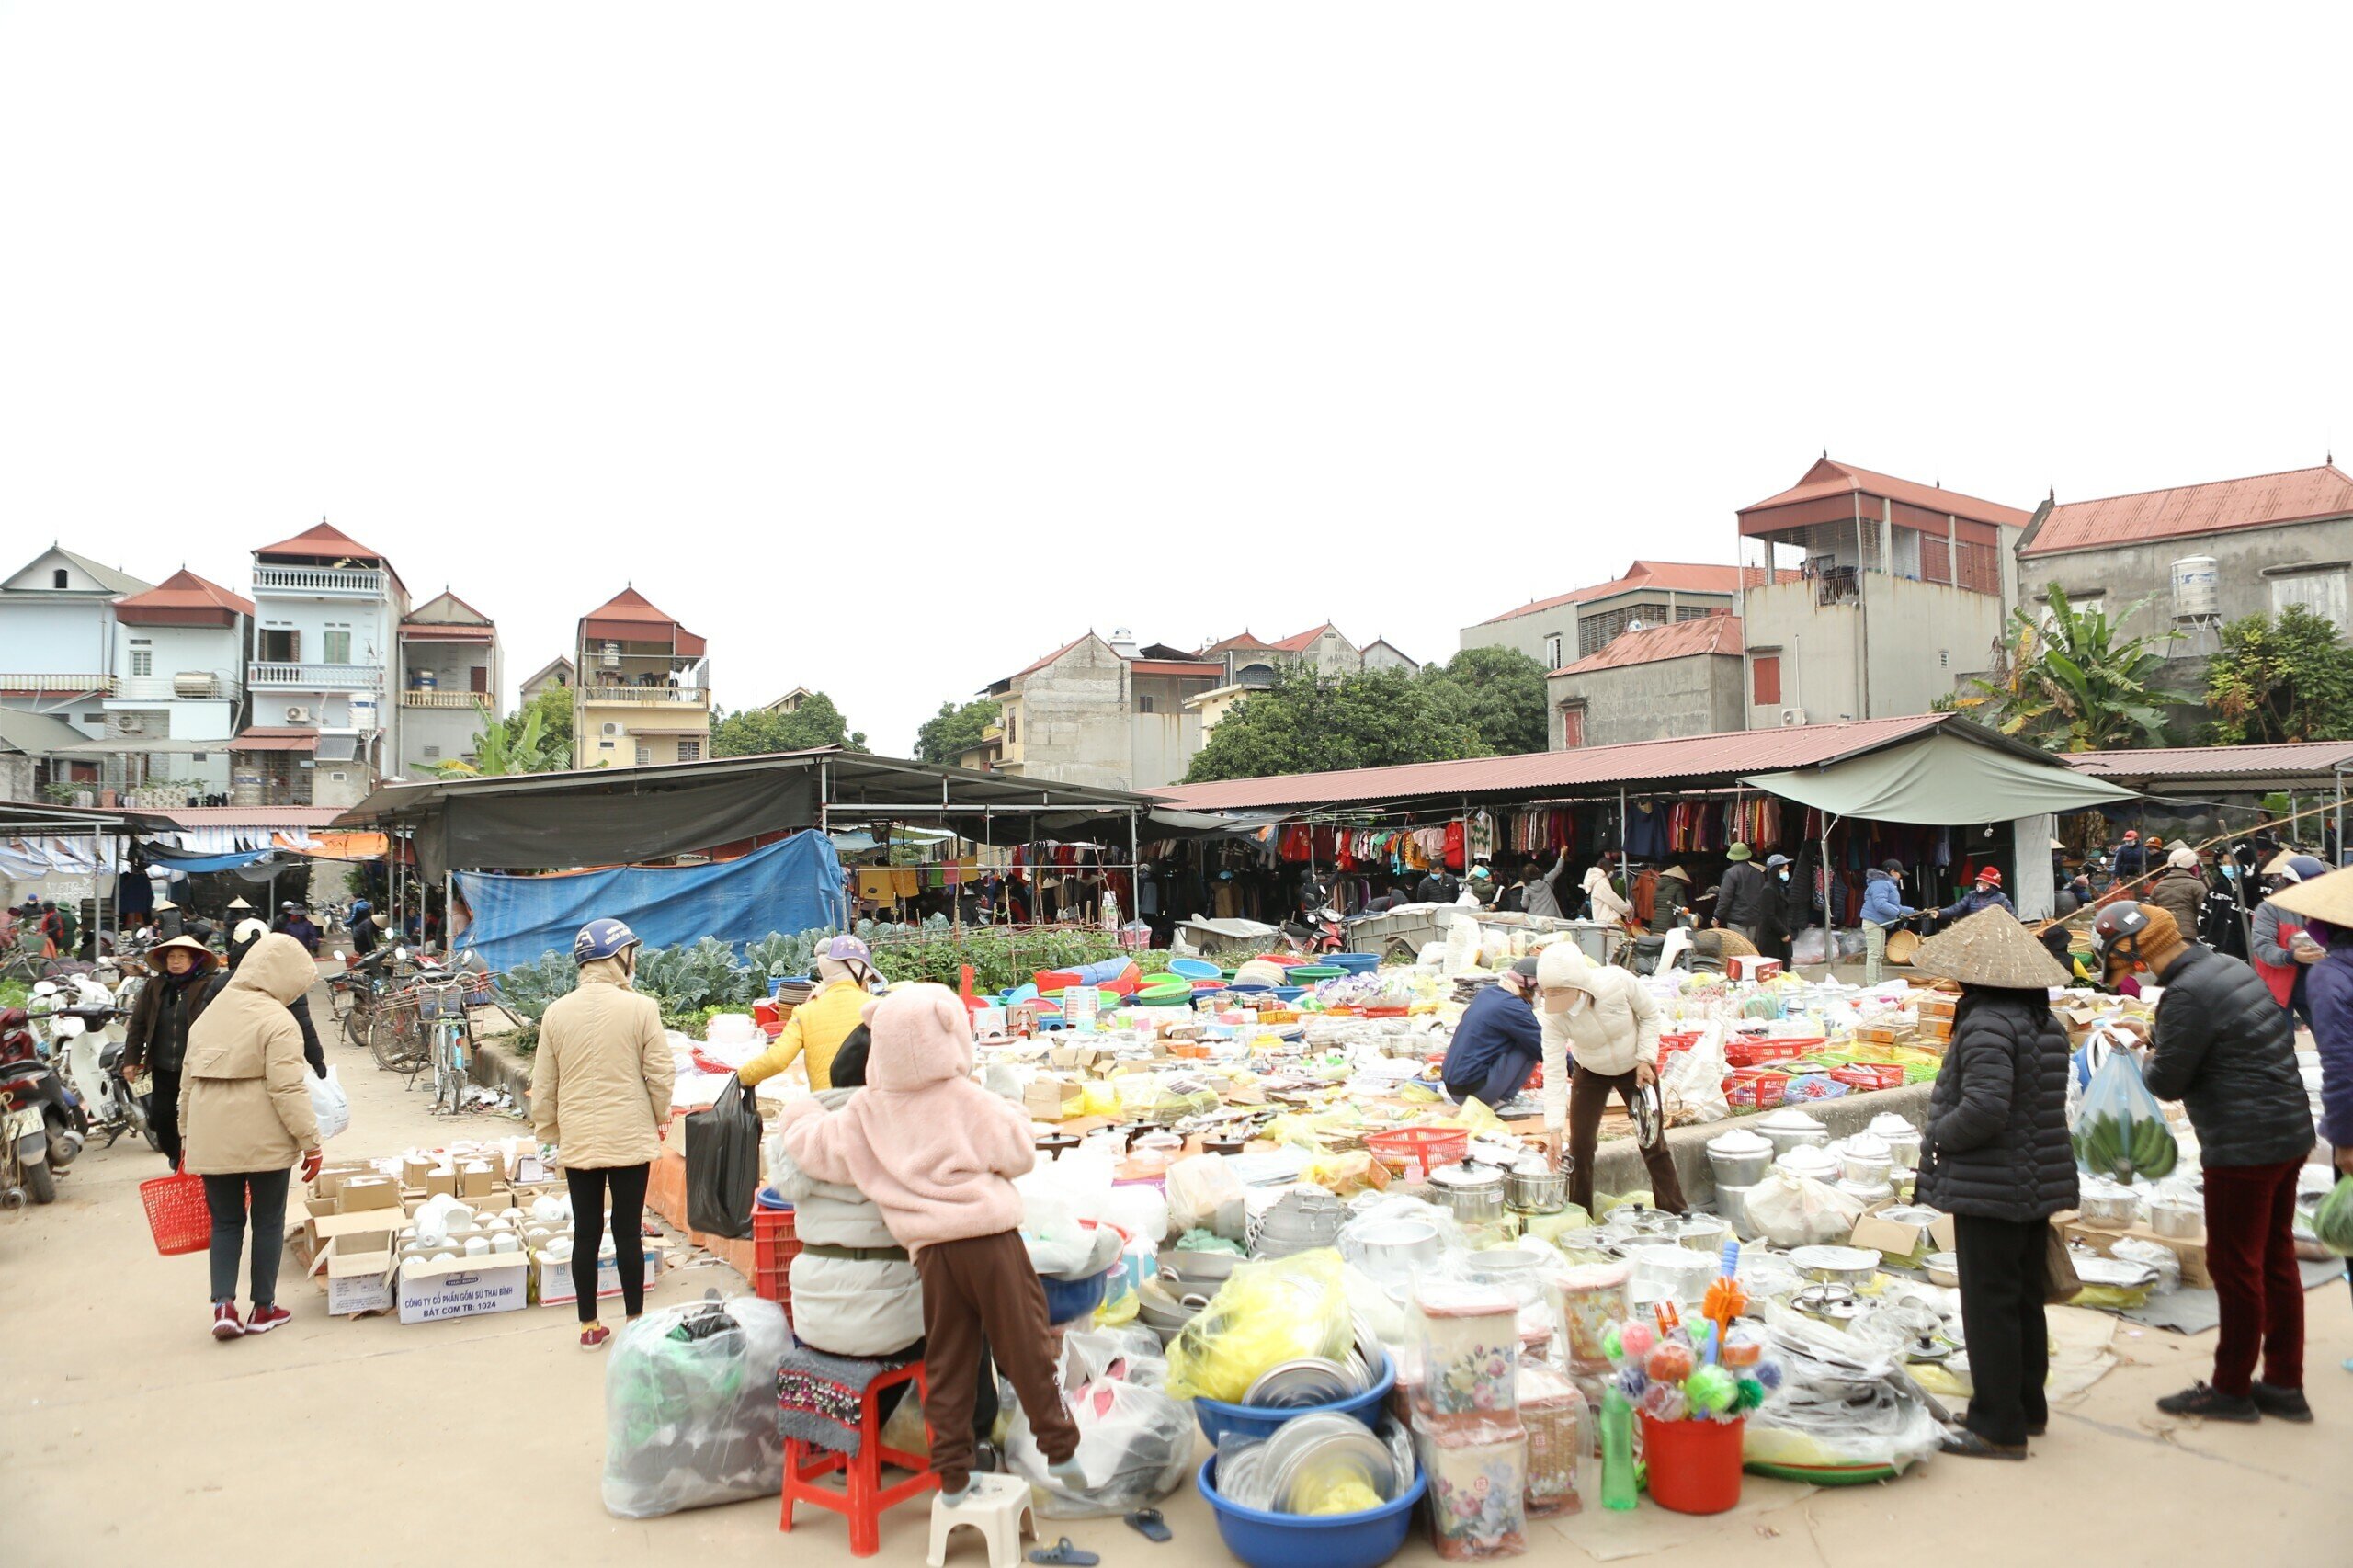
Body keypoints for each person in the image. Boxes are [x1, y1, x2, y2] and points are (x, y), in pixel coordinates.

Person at [777, 983, 1085, 1506]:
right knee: (1025, 1343)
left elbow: (815, 1148)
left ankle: (952, 1475)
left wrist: (799, 1113)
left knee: (949, 1359)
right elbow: (1019, 1153)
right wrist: (1009, 1101)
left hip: (932, 1256)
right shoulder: (966, 1099)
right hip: (990, 1243)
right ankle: (1061, 1448)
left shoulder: (865, 1113)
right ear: (950, 1031)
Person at [2095, 903, 2315, 1422]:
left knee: (2234, 1267)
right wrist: (2162, 1038)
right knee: (2276, 1259)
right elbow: (2220, 1042)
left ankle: (2231, 1389)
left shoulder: (2186, 993)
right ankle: (2285, 1383)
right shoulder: (2227, 966)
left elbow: (2166, 1083)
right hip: (2286, 1131)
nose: (2128, 968)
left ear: (2134, 948)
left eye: (2120, 956)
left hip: (2243, 1147)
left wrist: (2139, 1051)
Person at [1909, 910, 2077, 1459]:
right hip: (2033, 1181)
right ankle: (2027, 1406)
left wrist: (1938, 1135)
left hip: (1992, 1183)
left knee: (1990, 1304)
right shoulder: (2044, 1023)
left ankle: (1997, 1425)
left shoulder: (1986, 1024)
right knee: (2024, 1297)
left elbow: (1984, 1109)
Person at [529, 918, 674, 1351]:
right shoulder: (641, 1008)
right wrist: (657, 1113)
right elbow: (661, 1073)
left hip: (577, 1138)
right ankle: (635, 1324)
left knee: (586, 1233)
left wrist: (548, 1133)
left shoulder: (557, 1012)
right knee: (628, 1231)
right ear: (616, 957)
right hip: (630, 1137)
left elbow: (544, 1082)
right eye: (630, 952)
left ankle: (588, 1326)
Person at [177, 932, 324, 1340]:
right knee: (268, 1220)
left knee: (224, 1223)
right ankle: (264, 1308)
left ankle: (223, 1305)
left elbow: (187, 1086)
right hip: (265, 1141)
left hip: (210, 1135)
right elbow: (287, 1089)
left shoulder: (208, 1016)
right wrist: (311, 1141)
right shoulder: (278, 1020)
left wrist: (187, 1137)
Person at [767, 1020, 926, 1359]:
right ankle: (977, 1411)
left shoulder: (800, 1127)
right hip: (893, 1320)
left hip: (813, 1315)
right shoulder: (901, 1127)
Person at [1535, 943, 1685, 1216]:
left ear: (1582, 984)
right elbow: (1554, 1071)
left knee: (1652, 1141)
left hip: (1636, 1067)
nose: (1561, 1004)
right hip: (1591, 1070)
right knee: (1580, 1146)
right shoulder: (1553, 1017)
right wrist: (1554, 1129)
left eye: (1565, 994)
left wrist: (1645, 1058)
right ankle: (1581, 1216)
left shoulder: (1617, 982)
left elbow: (1651, 1015)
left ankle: (1675, 1213)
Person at [121, 934, 222, 1167]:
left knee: (198, 1117)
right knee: (162, 1117)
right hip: (163, 1064)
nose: (176, 961)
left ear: (194, 960)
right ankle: (175, 1155)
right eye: (171, 956)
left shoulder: (208, 985)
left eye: (182, 956)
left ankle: (197, 1161)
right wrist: (131, 1060)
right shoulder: (155, 986)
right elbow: (138, 1024)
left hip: (197, 1065)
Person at [739, 935, 877, 1095]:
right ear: (859, 971)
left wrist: (742, 1076)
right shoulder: (878, 1007)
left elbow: (776, 1060)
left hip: (826, 1107)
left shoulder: (805, 1012)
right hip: (868, 1104)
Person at [216, 919, 326, 1078]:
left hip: (231, 1063)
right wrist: (317, 1062)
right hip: (278, 1059)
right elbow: (303, 1023)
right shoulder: (289, 982)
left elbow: (203, 1026)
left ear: (234, 944)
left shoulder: (222, 982)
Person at [1440, 958, 1544, 1109]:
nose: (1540, 996)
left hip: (1454, 1087)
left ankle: (1496, 1097)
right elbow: (1544, 1046)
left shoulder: (1488, 993)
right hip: (1472, 1092)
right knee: (1529, 1046)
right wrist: (1577, 1070)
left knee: (1524, 1038)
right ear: (1530, 985)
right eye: (1541, 991)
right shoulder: (1513, 1007)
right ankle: (1501, 1102)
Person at [2251, 854, 2326, 1033]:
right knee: (2281, 1044)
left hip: (2314, 985)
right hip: (2277, 988)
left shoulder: (2323, 907)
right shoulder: (2269, 909)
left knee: (2330, 1036)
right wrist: (2290, 956)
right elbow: (2262, 947)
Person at [1859, 859, 1919, 985]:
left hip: (1879, 924)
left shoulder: (1887, 884)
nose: (1900, 876)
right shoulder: (1880, 883)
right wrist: (1899, 913)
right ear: (1892, 872)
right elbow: (1881, 905)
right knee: (1874, 955)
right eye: (1899, 873)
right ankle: (1872, 985)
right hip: (1873, 922)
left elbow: (1895, 907)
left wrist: (1914, 912)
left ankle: (1878, 984)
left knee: (1879, 956)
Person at [2147, 846, 2209, 945]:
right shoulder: (2197, 885)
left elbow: (2150, 914)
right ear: (2193, 867)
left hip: (2163, 937)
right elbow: (2206, 912)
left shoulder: (2158, 887)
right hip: (2189, 938)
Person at [1714, 844, 1768, 946]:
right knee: (1751, 947)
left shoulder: (1730, 873)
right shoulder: (1758, 873)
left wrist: (1717, 916)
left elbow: (1725, 898)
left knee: (1740, 949)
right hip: (1754, 918)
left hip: (1736, 919)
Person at [1762, 854, 1806, 962]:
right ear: (1775, 871)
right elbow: (1769, 916)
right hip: (1773, 939)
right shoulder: (1768, 890)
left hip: (1783, 935)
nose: (1786, 872)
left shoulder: (1781, 888)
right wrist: (1784, 933)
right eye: (1783, 870)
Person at [1937, 867, 2016, 925]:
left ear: (1992, 885)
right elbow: (1956, 908)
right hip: (1972, 931)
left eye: (1983, 883)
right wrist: (1939, 913)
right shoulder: (1971, 895)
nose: (1980, 884)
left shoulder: (2001, 898)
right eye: (1979, 882)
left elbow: (2013, 917)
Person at [1582, 856, 1632, 926]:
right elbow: (1613, 899)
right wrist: (1627, 909)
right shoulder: (1601, 882)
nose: (1613, 872)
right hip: (1608, 921)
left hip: (1604, 921)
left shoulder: (1598, 880)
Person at [1520, 851, 1573, 920]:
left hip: (1535, 918)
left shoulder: (1527, 888)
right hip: (1551, 916)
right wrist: (1562, 856)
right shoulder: (1547, 879)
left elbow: (1524, 905)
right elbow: (1558, 869)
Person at [1647, 866, 1691, 933]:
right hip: (1669, 922)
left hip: (1656, 921)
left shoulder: (1658, 887)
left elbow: (1655, 905)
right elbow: (1682, 906)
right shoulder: (1678, 887)